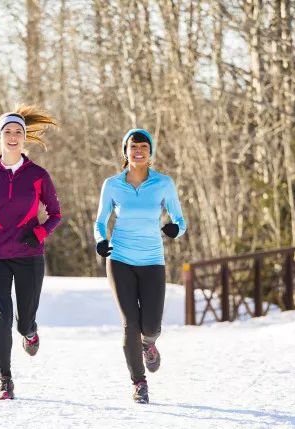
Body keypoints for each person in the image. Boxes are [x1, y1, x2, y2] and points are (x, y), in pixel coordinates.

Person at [0, 106, 61, 400]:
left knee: (22, 322)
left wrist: (40, 233)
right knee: (2, 316)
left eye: (18, 131)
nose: (13, 136)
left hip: (29, 254)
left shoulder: (38, 175)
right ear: (0, 137)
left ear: (24, 138)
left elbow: (55, 213)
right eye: (7, 131)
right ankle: (5, 380)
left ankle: (31, 332)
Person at [93, 128, 186, 404]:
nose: (138, 151)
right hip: (120, 259)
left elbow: (180, 220)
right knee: (129, 324)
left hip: (152, 260)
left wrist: (174, 230)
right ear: (125, 151)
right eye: (133, 146)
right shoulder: (112, 184)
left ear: (150, 152)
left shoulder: (163, 183)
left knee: (151, 325)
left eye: (144, 146)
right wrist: (101, 240)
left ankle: (149, 344)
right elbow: (100, 221)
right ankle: (138, 382)